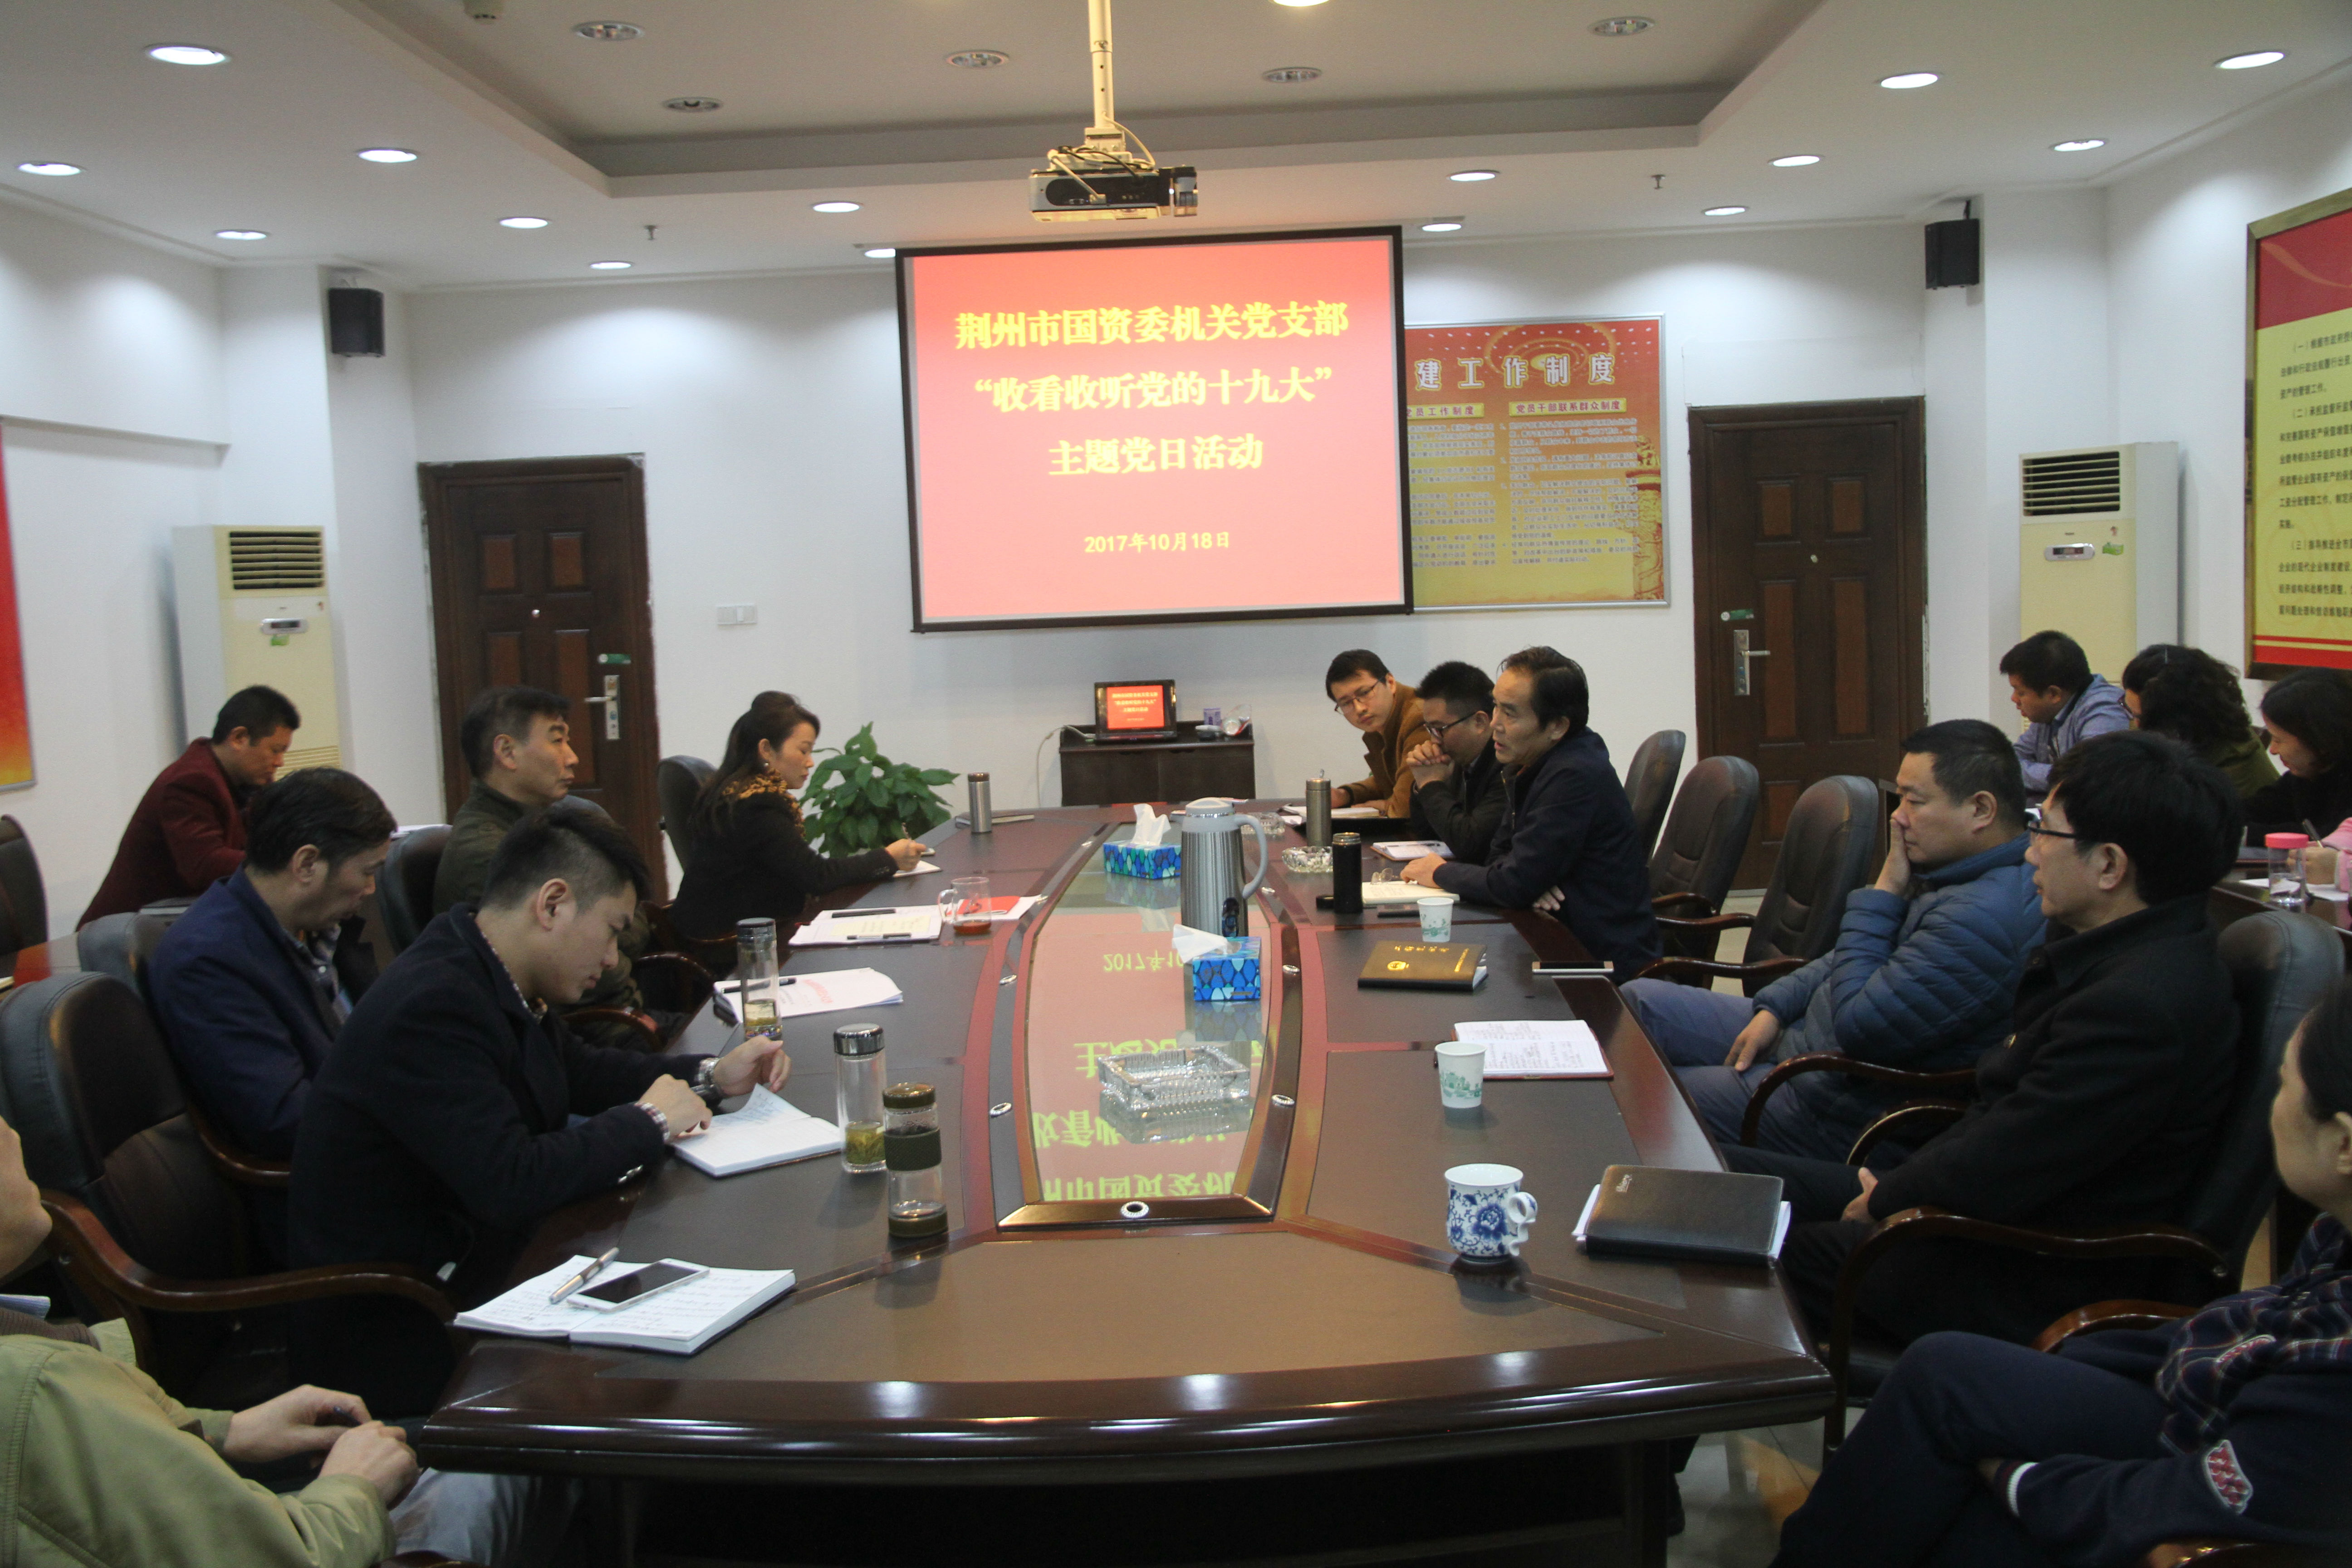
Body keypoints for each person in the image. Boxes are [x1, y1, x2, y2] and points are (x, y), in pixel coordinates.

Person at [1770, 974, 2352, 1568]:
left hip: (2190, 1470)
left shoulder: (2337, 1373)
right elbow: (2235, 1334)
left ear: (2344, 1146)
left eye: (2284, 1085)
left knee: (1951, 1494)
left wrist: (2020, 1478)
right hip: (2192, 1398)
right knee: (1942, 1379)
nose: (2274, 1107)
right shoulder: (2336, 1233)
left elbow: (2202, 1498)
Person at [1728, 730, 2242, 1352]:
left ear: (2109, 865)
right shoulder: (2116, 948)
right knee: (1724, 1180)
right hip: (1959, 1202)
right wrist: (1894, 1188)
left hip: (2016, 1266)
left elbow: (2011, 1157)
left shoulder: (2139, 1008)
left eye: (2045, 832)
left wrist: (1887, 1199)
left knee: (1739, 1250)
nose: (2030, 852)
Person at [289, 810, 792, 1417]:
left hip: (488, 1264)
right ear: (553, 904)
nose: (613, 959)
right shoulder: (432, 1004)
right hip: (406, 1322)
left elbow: (578, 1071)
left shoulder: (486, 965)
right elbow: (511, 1180)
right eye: (611, 932)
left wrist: (712, 1076)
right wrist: (651, 1121)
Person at [0, 1108, 427, 1567]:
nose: (12, 1134)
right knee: (473, 1484)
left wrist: (224, 1431)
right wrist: (356, 1487)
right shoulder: (36, 1386)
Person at [1620, 720, 2044, 1159]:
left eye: (1914, 802)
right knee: (1638, 1003)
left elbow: (1859, 1027)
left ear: (1981, 810)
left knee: (1641, 1091)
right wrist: (1776, 1007)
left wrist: (1885, 891)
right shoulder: (1955, 871)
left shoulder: (1980, 919)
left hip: (1830, 1098)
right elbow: (1842, 958)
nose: (1898, 817)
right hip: (1806, 1041)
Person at [147, 768, 394, 1161]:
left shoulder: (325, 925)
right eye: (367, 872)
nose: (371, 889)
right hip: (335, 1175)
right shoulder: (209, 960)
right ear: (307, 864)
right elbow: (285, 1122)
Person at [432, 686, 667, 1048]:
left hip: (621, 1017)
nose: (572, 758)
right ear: (507, 752)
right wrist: (621, 939)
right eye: (557, 741)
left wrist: (614, 929)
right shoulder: (486, 851)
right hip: (587, 1033)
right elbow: (597, 972)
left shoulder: (552, 822)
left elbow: (636, 918)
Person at [1403, 648, 1660, 977]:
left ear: (1557, 726)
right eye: (1496, 706)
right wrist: (1527, 882)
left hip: (1596, 960)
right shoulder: (1530, 763)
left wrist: (1440, 873)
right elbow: (1499, 859)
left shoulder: (1574, 775)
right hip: (1556, 933)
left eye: (1509, 713)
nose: (1494, 723)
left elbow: (1511, 882)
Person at [669, 691, 921, 940]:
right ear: (766, 750)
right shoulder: (755, 807)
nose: (810, 762)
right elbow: (817, 876)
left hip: (732, 928)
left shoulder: (737, 792)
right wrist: (889, 858)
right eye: (804, 751)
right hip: (729, 944)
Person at [80, 686, 299, 925]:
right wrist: (282, 865)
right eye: (275, 751)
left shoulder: (250, 782)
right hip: (126, 935)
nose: (280, 762)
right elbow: (204, 865)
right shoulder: (190, 782)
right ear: (239, 739)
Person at [2120, 642, 2278, 799]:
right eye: (2129, 710)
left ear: (2178, 719)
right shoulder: (2186, 733)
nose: (2137, 725)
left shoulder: (2234, 769)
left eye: (2142, 718)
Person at [2001, 629, 2130, 799]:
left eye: (2021, 692)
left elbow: (2089, 776)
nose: (2014, 699)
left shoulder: (2105, 709)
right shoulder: (2047, 713)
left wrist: (2019, 772)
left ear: (2054, 694)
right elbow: (2010, 760)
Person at [1402, 660, 1506, 864]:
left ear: (1480, 722)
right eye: (1430, 729)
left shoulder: (1506, 764)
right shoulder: (1459, 759)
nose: (1435, 740)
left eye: (1440, 729)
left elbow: (1471, 846)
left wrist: (1431, 785)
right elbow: (1427, 836)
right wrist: (1422, 786)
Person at [2243, 666, 2352, 840]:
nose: (2273, 750)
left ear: (2319, 738)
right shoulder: (2305, 776)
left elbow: (2329, 837)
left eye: (2279, 740)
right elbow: (2256, 809)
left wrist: (2244, 834)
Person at [1324, 651, 1423, 818]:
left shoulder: (1419, 718)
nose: (1359, 709)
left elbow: (1404, 810)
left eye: (1364, 693)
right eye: (1346, 703)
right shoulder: (1382, 722)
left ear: (1390, 683)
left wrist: (1384, 807)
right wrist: (1346, 795)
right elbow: (1390, 779)